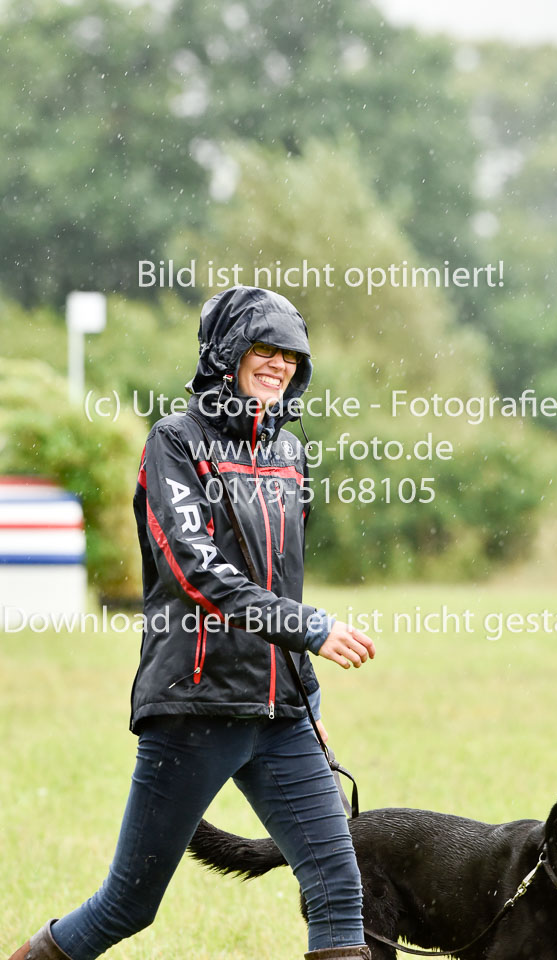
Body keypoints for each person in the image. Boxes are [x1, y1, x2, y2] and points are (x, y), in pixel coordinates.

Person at [9, 286, 375, 960]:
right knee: (127, 907)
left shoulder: (290, 456)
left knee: (338, 887)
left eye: (292, 354)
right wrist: (309, 627)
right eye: (264, 348)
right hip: (194, 706)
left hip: (281, 713)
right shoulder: (174, 443)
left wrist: (310, 698)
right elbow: (195, 571)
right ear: (227, 355)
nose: (280, 364)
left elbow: (280, 585)